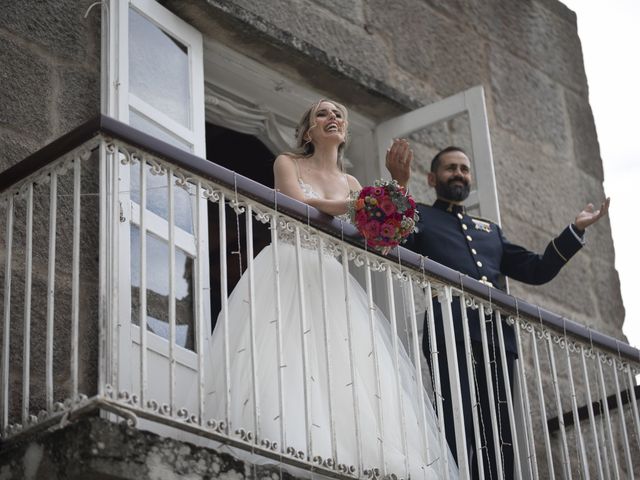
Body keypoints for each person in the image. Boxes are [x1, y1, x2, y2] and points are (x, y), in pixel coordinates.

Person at [203, 100, 458, 479]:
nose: (332, 117)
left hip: (330, 278)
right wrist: (363, 202)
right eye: (322, 113)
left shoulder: (353, 184)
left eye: (339, 113)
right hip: (286, 265)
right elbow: (298, 203)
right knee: (283, 359)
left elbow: (377, 239)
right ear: (308, 131)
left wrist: (398, 186)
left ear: (345, 132)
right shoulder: (287, 162)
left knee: (344, 372)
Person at [387, 144, 610, 479]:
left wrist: (574, 231)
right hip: (451, 332)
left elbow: (536, 270)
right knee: (457, 422)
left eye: (464, 168)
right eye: (450, 168)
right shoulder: (420, 215)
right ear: (433, 178)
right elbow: (396, 243)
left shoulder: (488, 230)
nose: (459, 174)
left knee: (500, 431)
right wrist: (399, 187)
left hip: (497, 337)